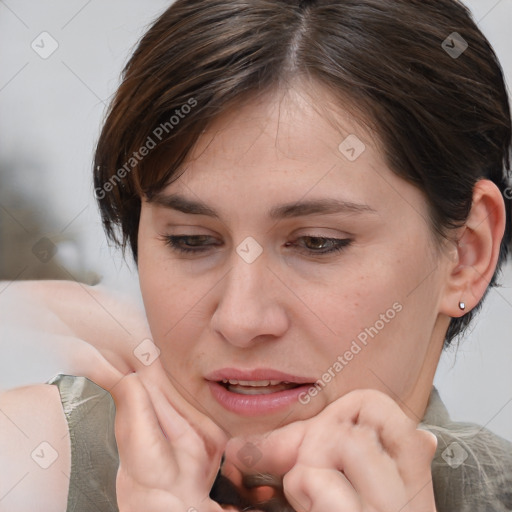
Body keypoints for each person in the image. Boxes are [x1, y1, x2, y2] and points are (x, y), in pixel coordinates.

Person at [1, 0, 511, 510]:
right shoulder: (25, 462)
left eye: (317, 243)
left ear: (467, 253)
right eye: (190, 240)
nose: (240, 320)